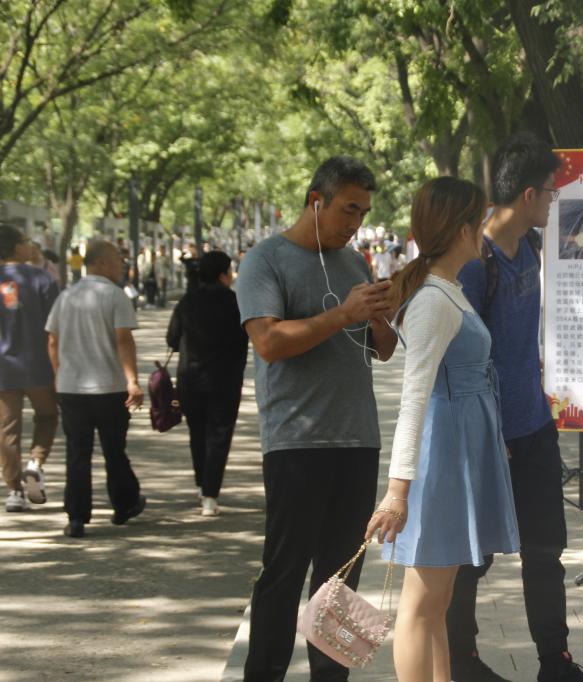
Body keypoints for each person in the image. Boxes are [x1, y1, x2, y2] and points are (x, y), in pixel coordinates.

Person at [236, 155, 397, 681]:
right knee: (283, 574)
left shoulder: (355, 264)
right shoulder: (266, 260)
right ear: (316, 201)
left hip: (358, 440)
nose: (357, 223)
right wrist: (343, 314)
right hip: (296, 441)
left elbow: (383, 350)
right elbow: (268, 342)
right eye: (349, 209)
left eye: (363, 212)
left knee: (340, 581)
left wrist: (380, 319)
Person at [450, 133, 583, 682]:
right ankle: (461, 662)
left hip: (534, 426)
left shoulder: (530, 247)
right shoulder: (474, 262)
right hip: (488, 435)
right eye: (552, 193)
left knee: (545, 549)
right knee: (472, 556)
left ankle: (554, 662)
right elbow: (461, 355)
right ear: (530, 195)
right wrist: (488, 434)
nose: (555, 202)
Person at [365, 178, 519, 682]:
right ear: (461, 229)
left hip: (458, 454)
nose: (486, 229)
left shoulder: (446, 289)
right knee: (421, 605)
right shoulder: (433, 298)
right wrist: (397, 493)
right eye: (480, 220)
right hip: (443, 459)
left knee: (437, 601)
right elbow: (414, 400)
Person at [45, 240, 147, 539]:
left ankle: (76, 516)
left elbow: (52, 340)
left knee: (78, 453)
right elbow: (123, 339)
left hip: (71, 388)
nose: (121, 265)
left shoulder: (66, 296)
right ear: (100, 263)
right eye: (117, 260)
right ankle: (124, 504)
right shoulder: (115, 295)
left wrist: (59, 375)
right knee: (114, 450)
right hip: (109, 387)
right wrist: (132, 380)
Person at [166, 250, 248, 517]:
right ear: (223, 274)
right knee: (219, 436)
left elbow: (171, 339)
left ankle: (202, 485)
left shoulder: (188, 301)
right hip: (225, 380)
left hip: (190, 379)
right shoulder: (236, 303)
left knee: (197, 433)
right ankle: (210, 495)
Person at [0, 223, 60, 512]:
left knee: (7, 430)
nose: (29, 245)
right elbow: (56, 327)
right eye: (25, 241)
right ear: (16, 247)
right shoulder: (42, 278)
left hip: (4, 369)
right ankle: (35, 462)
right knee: (47, 416)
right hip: (39, 365)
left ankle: (14, 491)